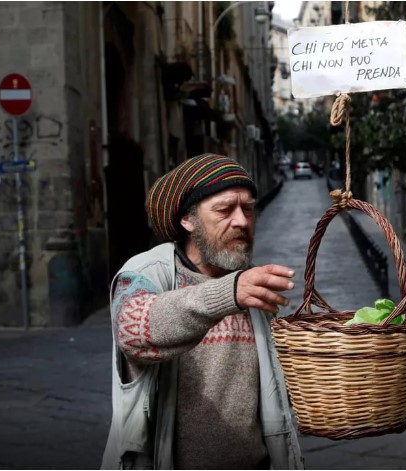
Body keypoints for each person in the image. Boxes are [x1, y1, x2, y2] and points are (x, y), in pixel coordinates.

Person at [101, 154, 304, 470]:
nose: (242, 221)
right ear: (188, 219)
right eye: (225, 210)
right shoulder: (147, 272)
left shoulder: (251, 284)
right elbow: (133, 332)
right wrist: (228, 294)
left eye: (248, 209)